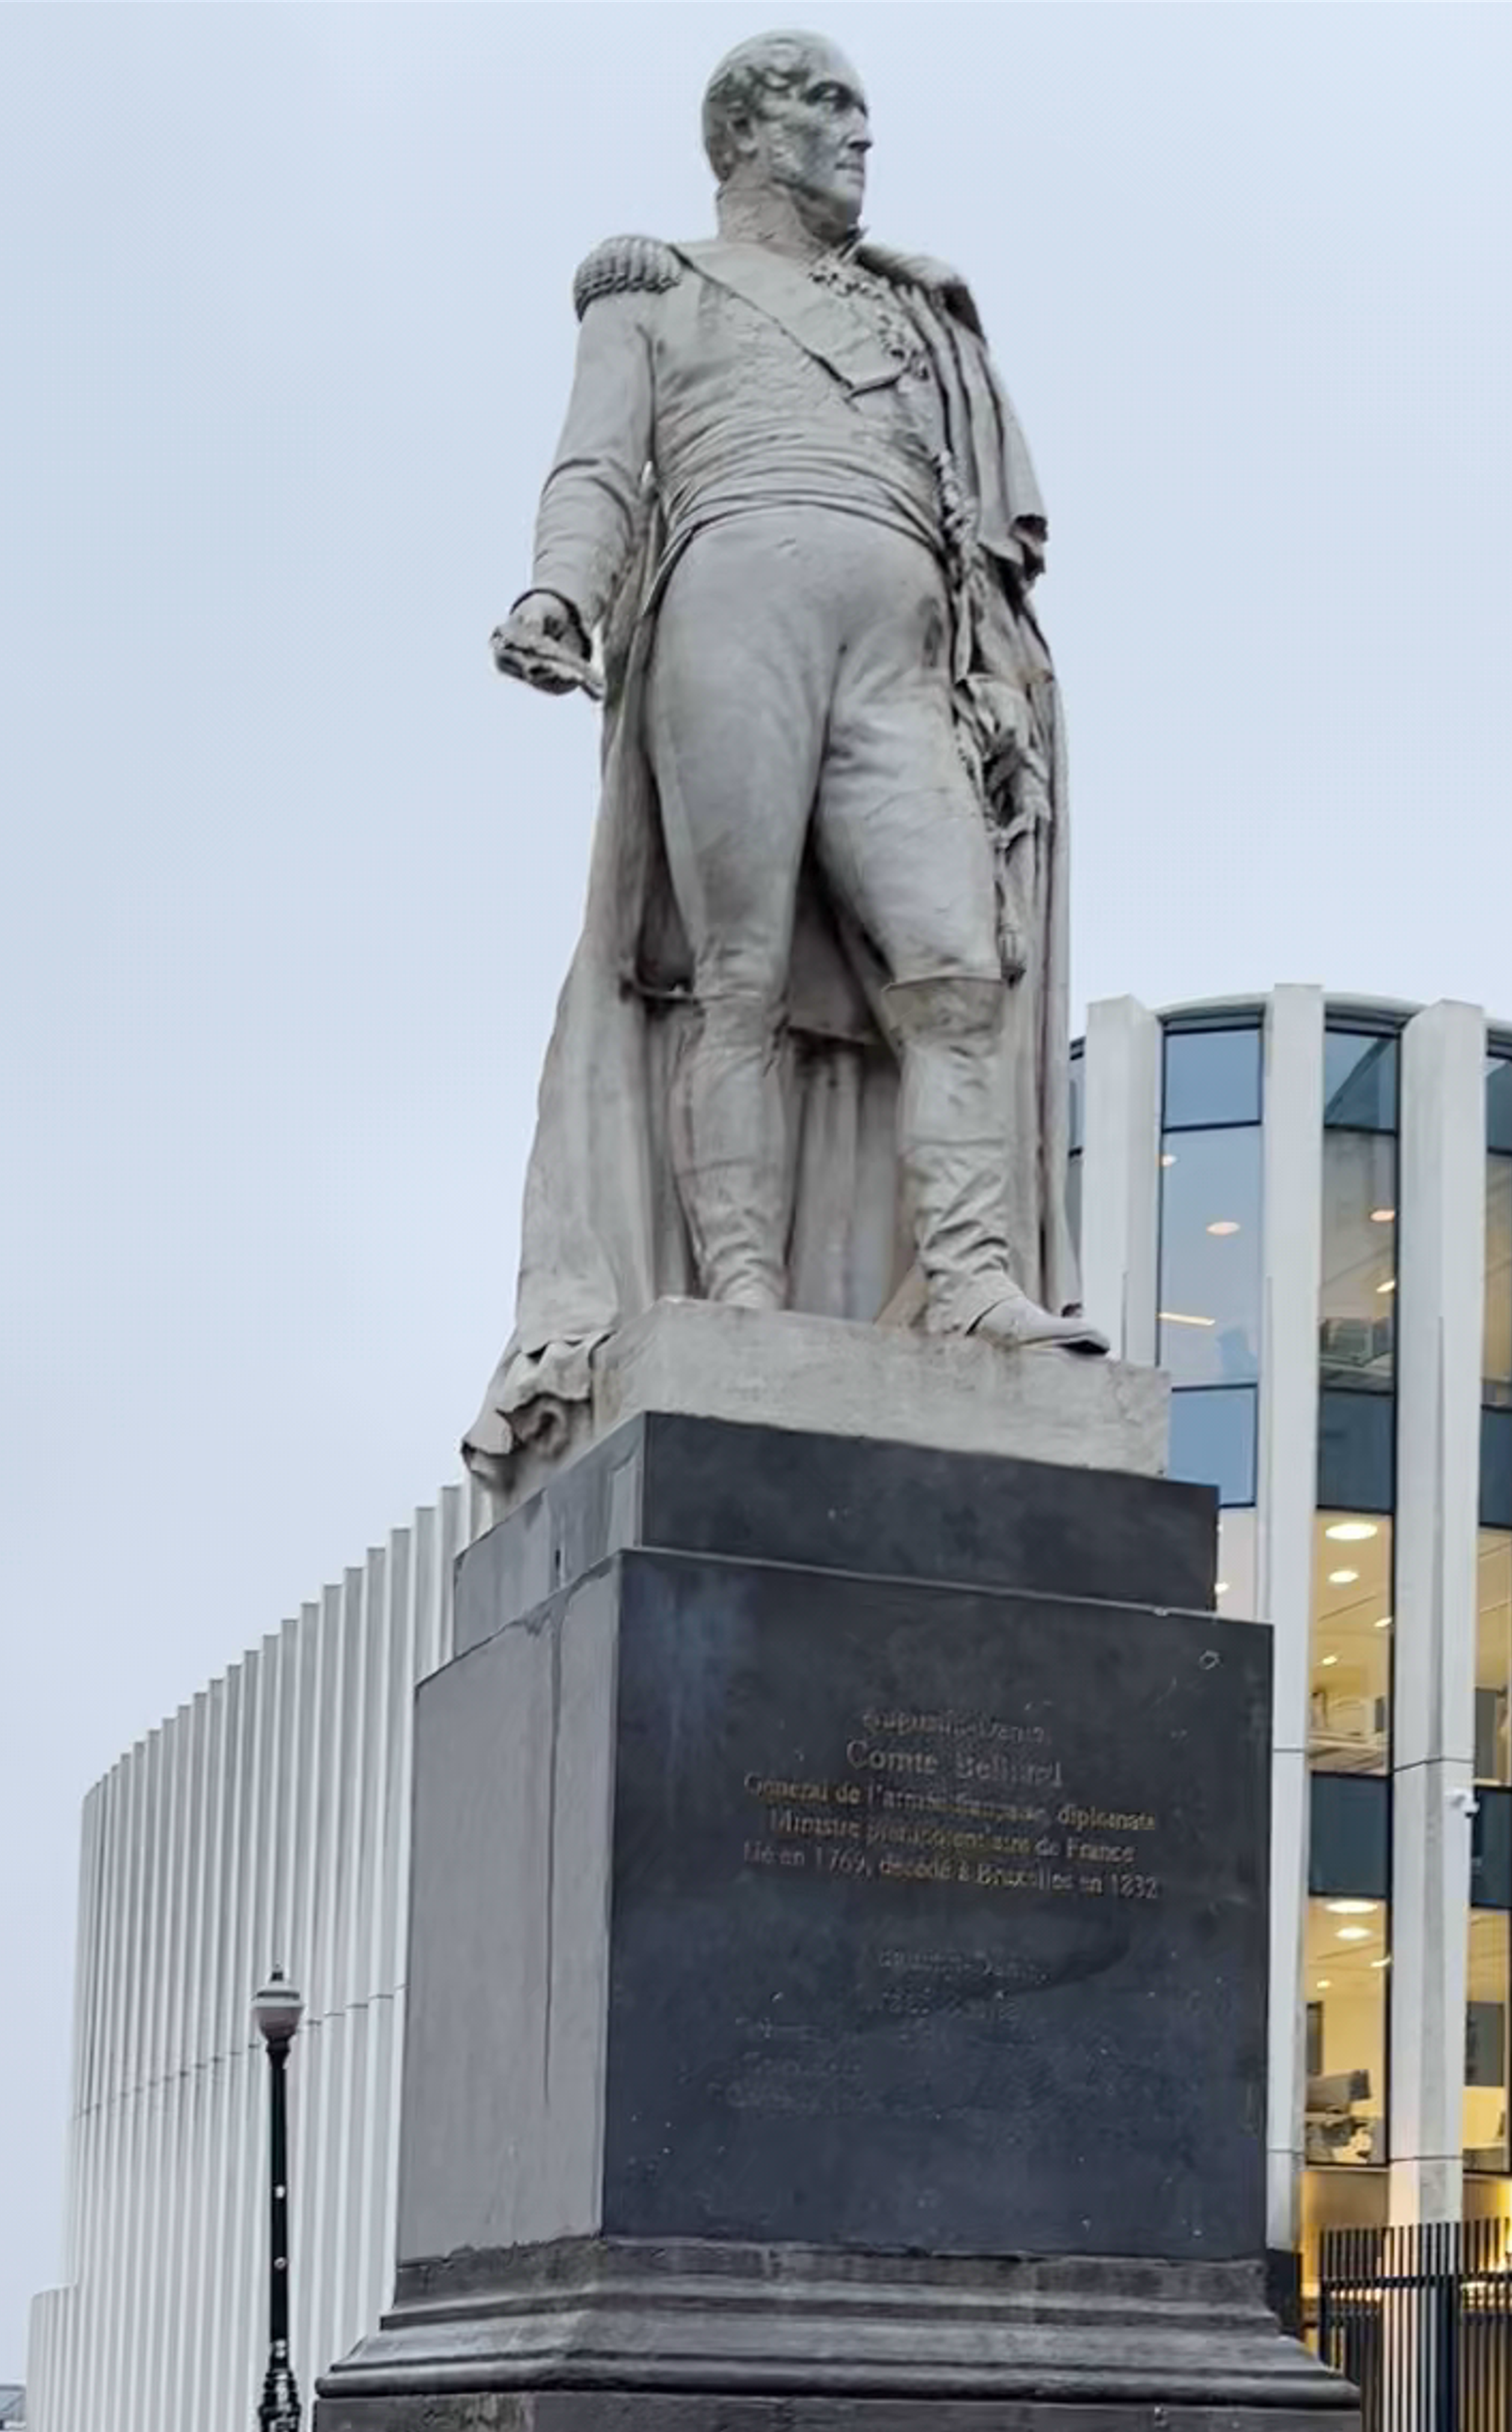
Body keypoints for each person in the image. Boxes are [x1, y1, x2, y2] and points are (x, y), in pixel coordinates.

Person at [464, 29, 1096, 1484]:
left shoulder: (911, 319)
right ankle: (738, 1300)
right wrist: (559, 589)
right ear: (742, 133)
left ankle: (974, 1281)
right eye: (824, 105)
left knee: (954, 971)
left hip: (900, 650)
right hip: (726, 599)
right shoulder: (655, 289)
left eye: (861, 109)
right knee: (732, 974)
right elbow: (596, 462)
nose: (857, 134)